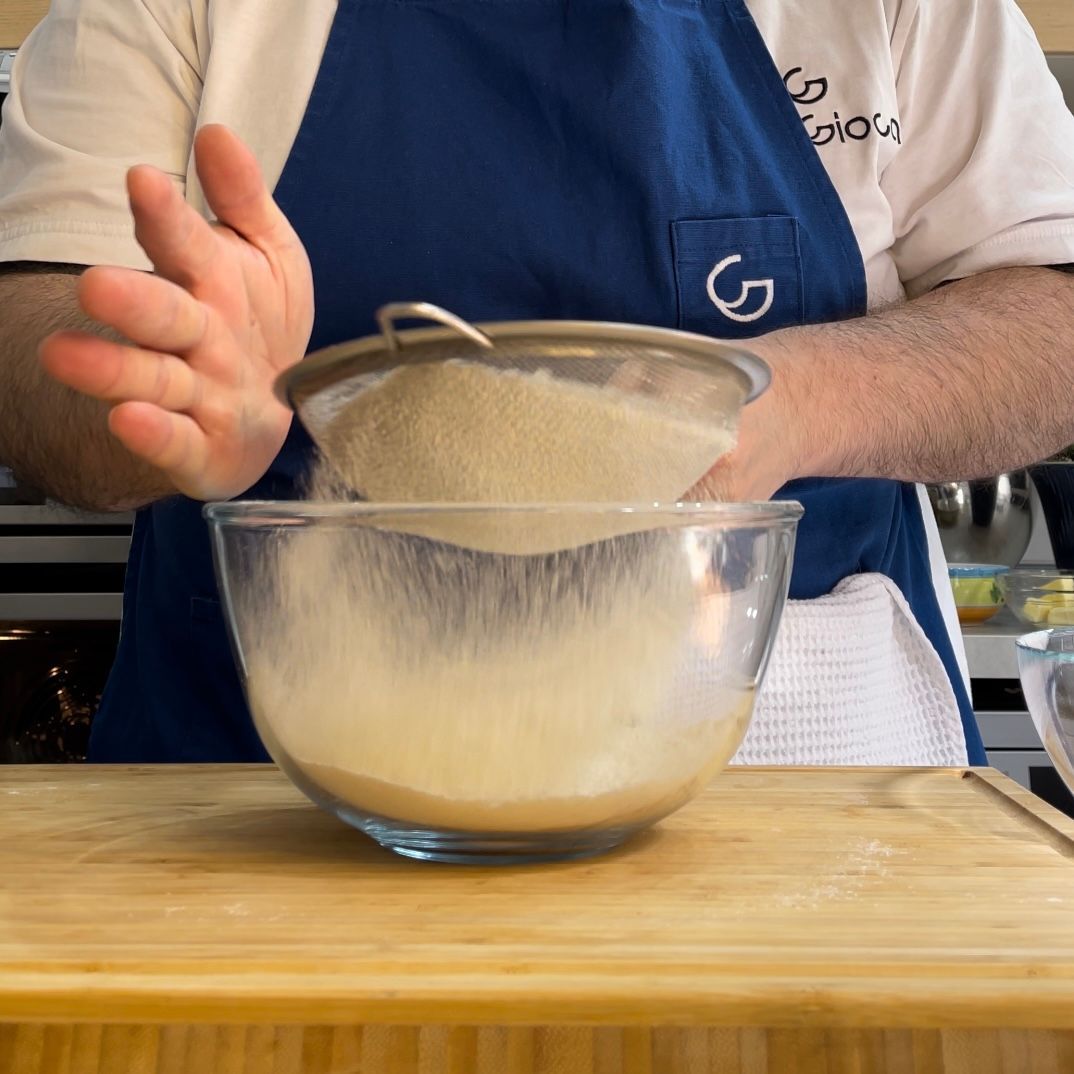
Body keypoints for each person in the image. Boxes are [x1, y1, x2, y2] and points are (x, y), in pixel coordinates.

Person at [0, 0, 1072, 766]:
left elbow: (1053, 320)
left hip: (804, 791)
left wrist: (786, 402)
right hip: (279, 804)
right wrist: (164, 391)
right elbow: (32, 339)